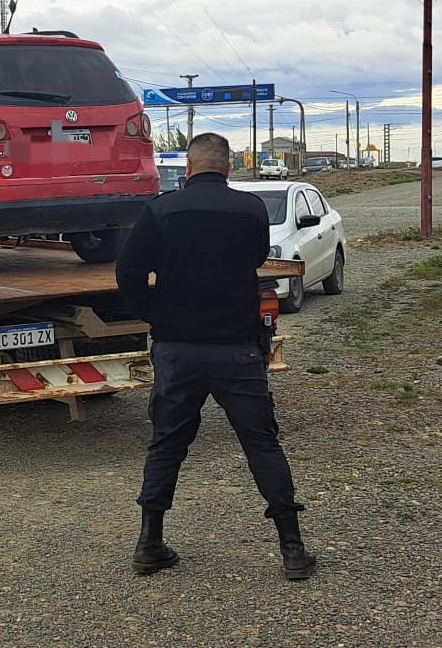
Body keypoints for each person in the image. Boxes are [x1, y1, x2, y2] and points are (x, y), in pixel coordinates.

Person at [115, 132, 316, 581]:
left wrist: (154, 315)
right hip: (236, 347)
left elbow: (127, 270)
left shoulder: (159, 210)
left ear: (188, 168)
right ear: (228, 168)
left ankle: (149, 543)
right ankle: (292, 548)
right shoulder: (250, 209)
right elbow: (256, 258)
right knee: (261, 442)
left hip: (177, 348)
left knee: (167, 442)